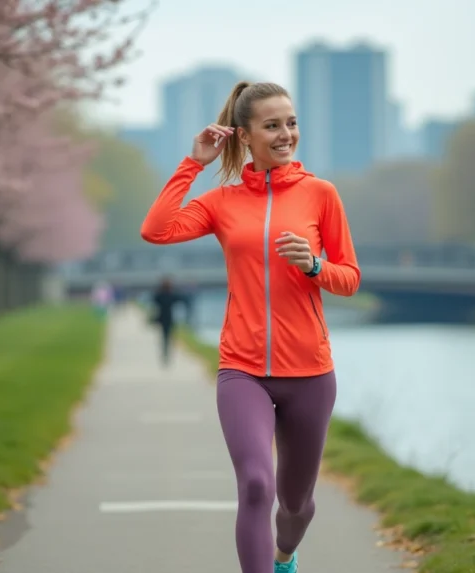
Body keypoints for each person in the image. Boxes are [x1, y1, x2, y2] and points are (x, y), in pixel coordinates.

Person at [140, 81, 360, 573]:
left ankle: (284, 555)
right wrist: (192, 164)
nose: (287, 134)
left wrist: (315, 267)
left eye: (292, 123)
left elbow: (350, 279)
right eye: (273, 125)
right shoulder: (220, 203)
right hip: (242, 370)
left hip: (310, 372)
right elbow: (156, 230)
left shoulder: (321, 195)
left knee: (296, 504)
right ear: (245, 134)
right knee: (256, 485)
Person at [149, 276, 185, 366]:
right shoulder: (171, 295)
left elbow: (153, 300)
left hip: (162, 318)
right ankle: (167, 353)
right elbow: (181, 299)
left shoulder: (160, 295)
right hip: (169, 318)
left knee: (164, 337)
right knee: (168, 337)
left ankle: (165, 353)